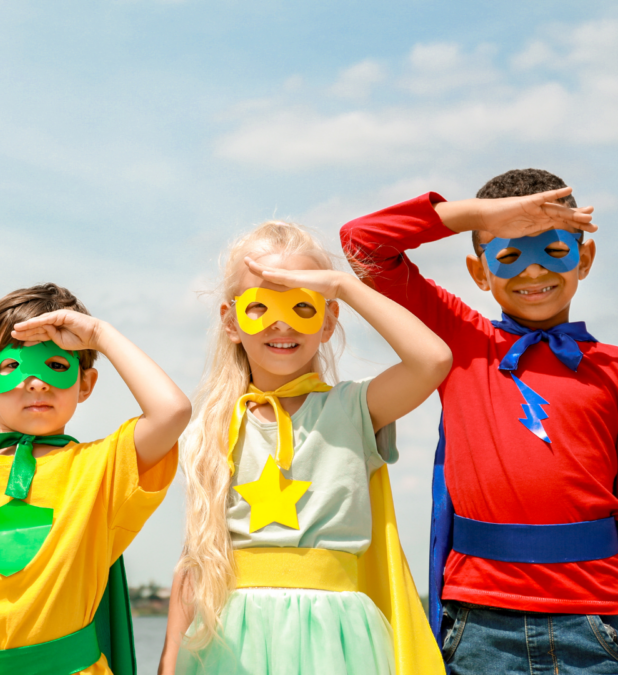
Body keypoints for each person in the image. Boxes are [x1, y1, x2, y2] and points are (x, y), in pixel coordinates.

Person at [341, 168, 618, 673]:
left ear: (586, 258)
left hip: (600, 621)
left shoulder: (613, 370)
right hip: (480, 624)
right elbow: (362, 244)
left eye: (554, 253)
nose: (532, 274)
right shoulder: (462, 340)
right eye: (509, 256)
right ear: (479, 273)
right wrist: (478, 214)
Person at [160, 221, 448, 675]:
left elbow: (433, 360)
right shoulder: (209, 428)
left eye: (302, 305)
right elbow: (196, 557)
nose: (282, 322)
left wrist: (343, 286)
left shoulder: (355, 408)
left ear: (329, 320)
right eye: (260, 306)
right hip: (231, 641)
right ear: (230, 321)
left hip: (336, 638)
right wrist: (170, 661)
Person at [0, 283, 189, 675]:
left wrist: (99, 335)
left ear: (85, 383)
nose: (36, 383)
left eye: (55, 365)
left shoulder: (101, 468)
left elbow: (171, 411)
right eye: (12, 367)